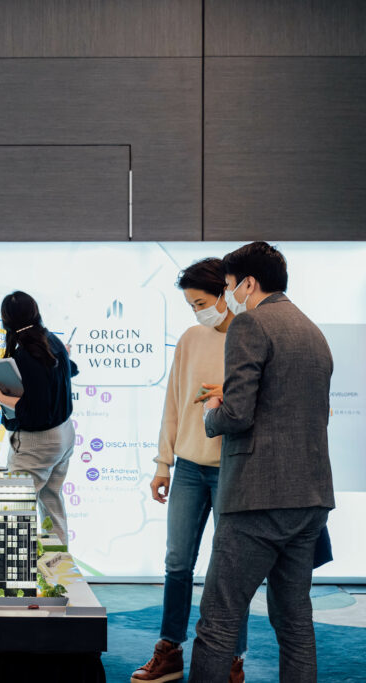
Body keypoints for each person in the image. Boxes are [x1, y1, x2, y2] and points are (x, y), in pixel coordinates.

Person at [189, 242, 334, 682]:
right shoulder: (312, 330)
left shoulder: (250, 324)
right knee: (295, 622)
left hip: (257, 497)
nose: (229, 295)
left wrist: (211, 413)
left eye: (230, 285)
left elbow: (237, 415)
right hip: (310, 497)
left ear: (248, 284)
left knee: (219, 621)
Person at [132, 258, 249, 683]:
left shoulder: (251, 337)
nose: (198, 312)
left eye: (201, 303)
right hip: (187, 468)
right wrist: (163, 463)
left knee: (230, 571)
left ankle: (233, 657)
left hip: (234, 468)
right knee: (177, 562)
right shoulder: (190, 338)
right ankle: (170, 648)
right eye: (191, 305)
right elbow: (174, 403)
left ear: (225, 293)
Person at [0, 291, 77, 547]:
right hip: (63, 436)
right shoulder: (51, 341)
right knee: (51, 503)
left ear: (6, 320)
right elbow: (71, 371)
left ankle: (13, 568)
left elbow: (35, 410)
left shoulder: (26, 355)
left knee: (14, 509)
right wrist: (62, 358)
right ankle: (57, 566)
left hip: (38, 443)